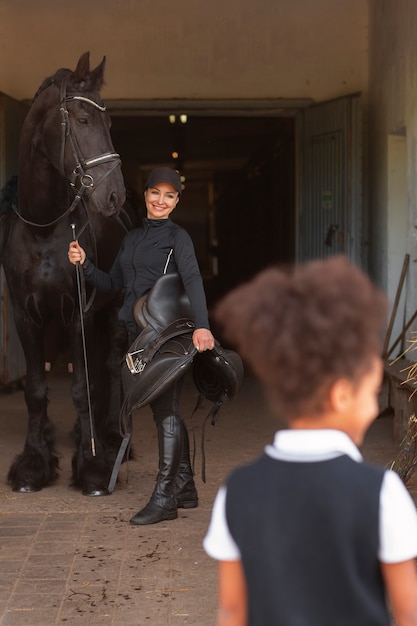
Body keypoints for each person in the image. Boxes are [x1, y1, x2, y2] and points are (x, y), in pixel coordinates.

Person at [203, 256, 417, 626]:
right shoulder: (382, 492)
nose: (373, 409)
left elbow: (232, 611)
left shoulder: (237, 490)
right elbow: (408, 611)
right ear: (340, 395)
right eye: (371, 394)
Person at [68, 166, 214, 525]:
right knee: (165, 409)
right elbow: (113, 282)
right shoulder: (131, 240)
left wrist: (203, 327)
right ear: (145, 194)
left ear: (177, 201)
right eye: (155, 193)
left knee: (165, 410)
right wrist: (84, 265)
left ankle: (165, 498)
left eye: (169, 195)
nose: (161, 201)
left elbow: (193, 280)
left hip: (169, 336)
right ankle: (186, 486)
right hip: (138, 336)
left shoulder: (178, 238)